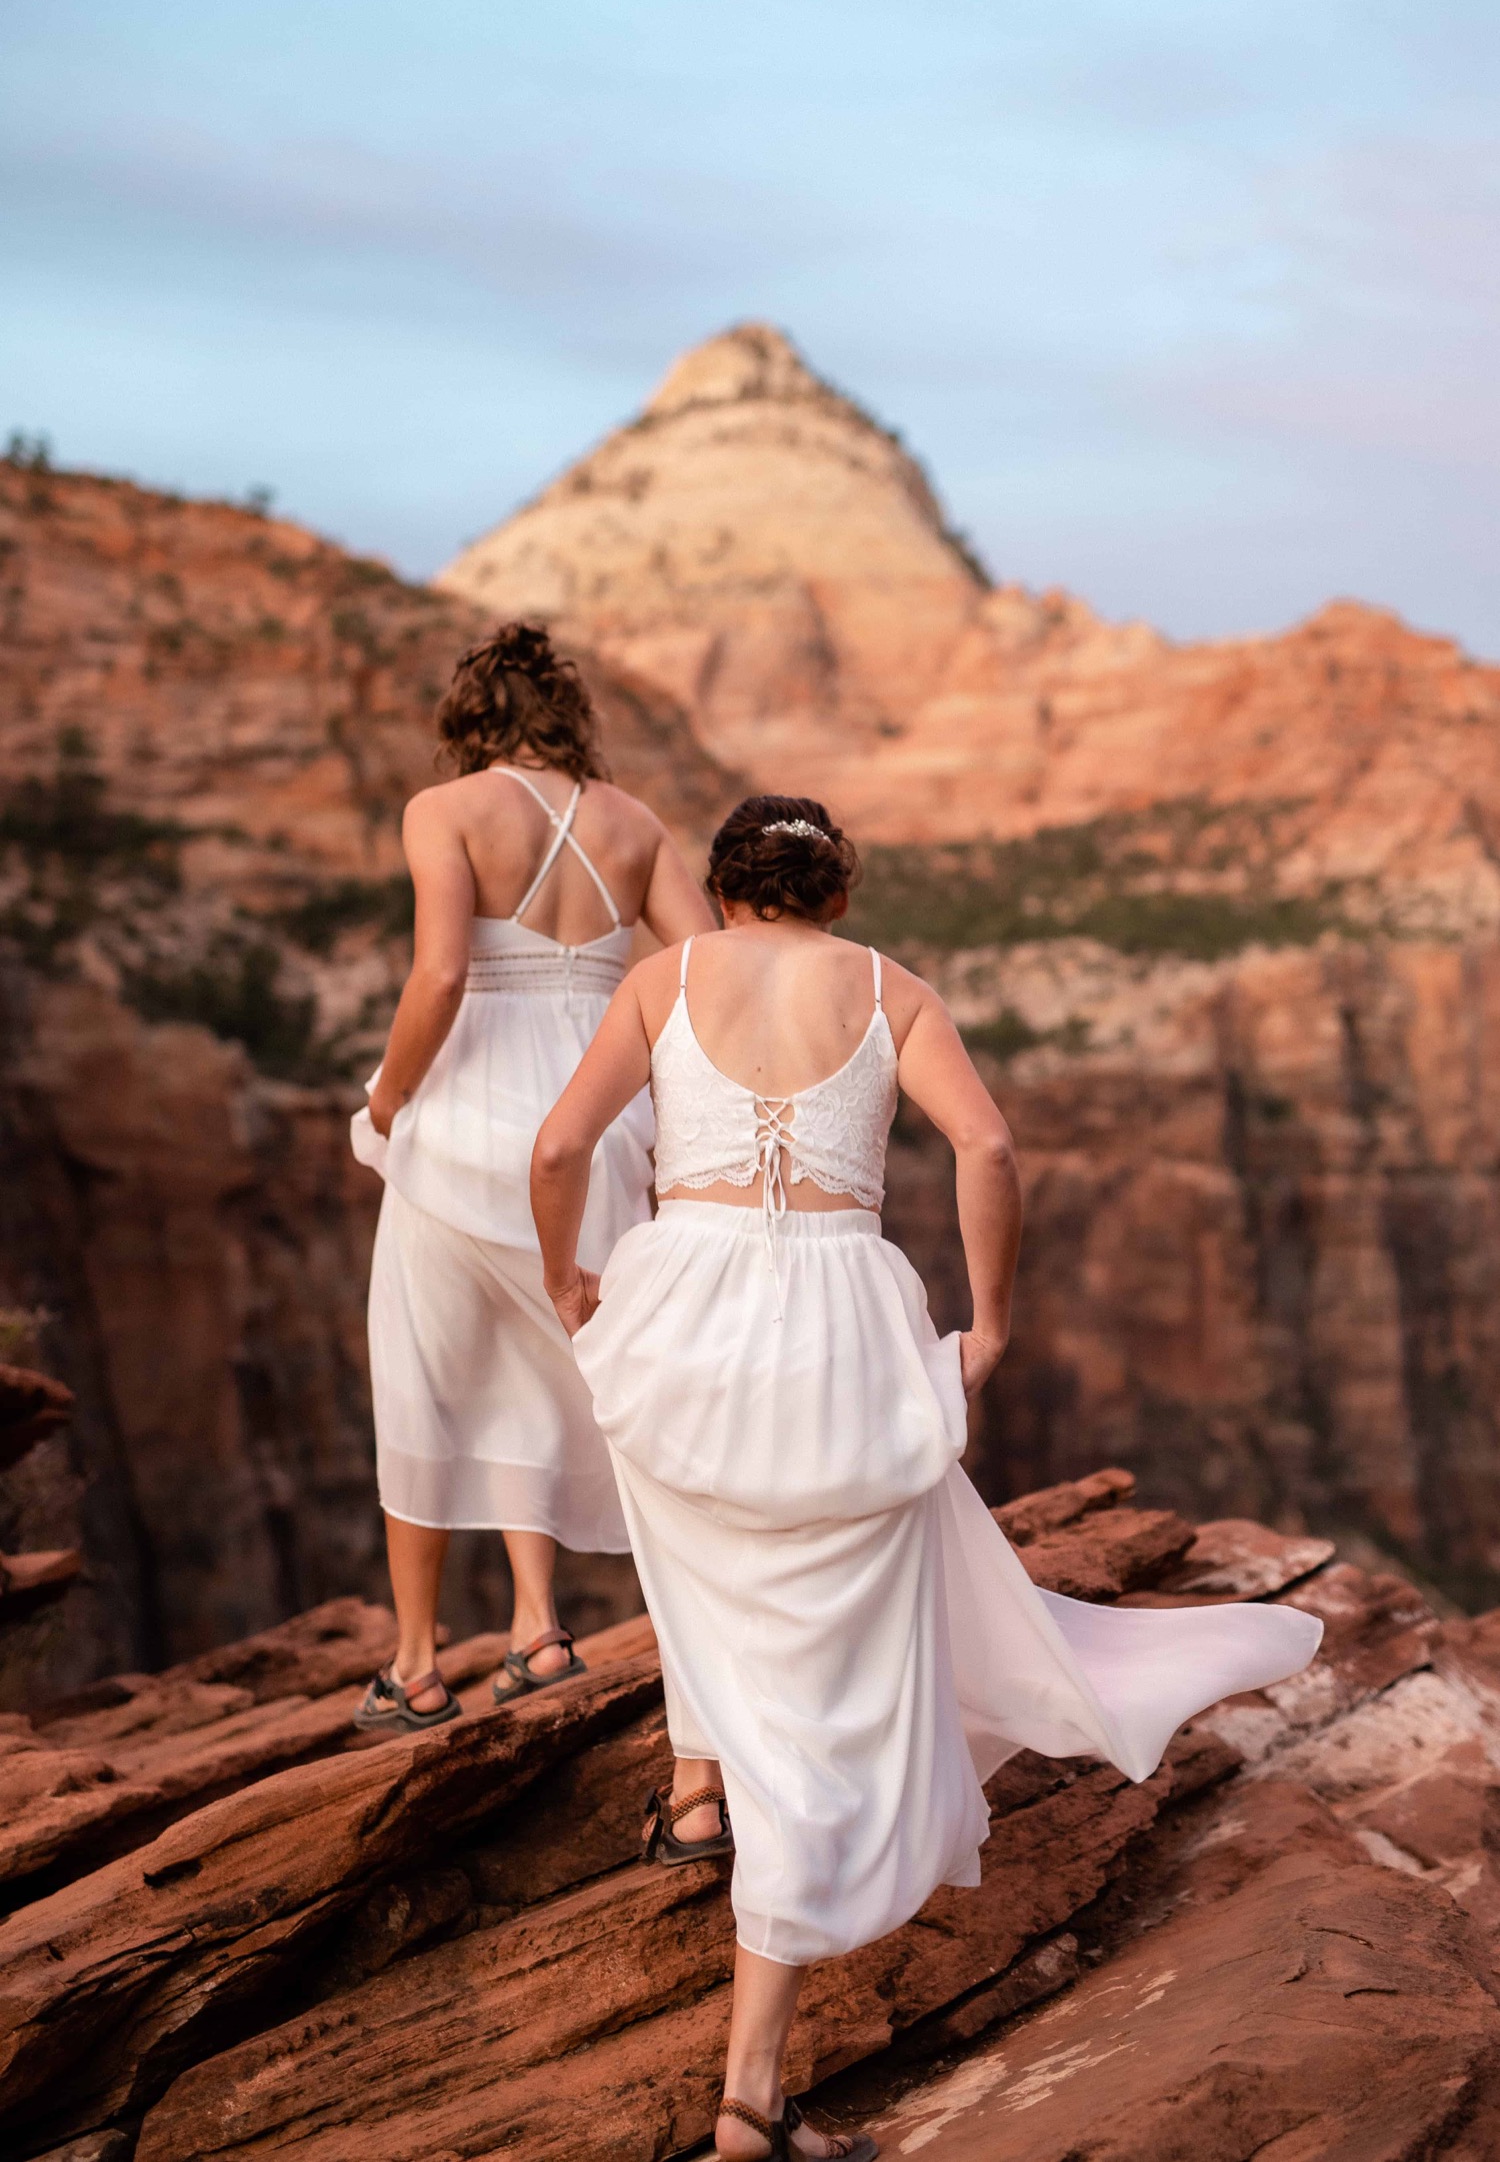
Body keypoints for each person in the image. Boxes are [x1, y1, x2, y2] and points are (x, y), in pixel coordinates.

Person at [530, 793, 1325, 2162]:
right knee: (829, 1671)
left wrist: (567, 1282)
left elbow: (555, 1150)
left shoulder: (663, 976)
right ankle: (744, 2072)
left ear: (723, 891)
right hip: (844, 1328)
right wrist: (993, 1319)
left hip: (682, 1314)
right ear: (835, 895)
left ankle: (705, 1794)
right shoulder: (895, 990)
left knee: (701, 1560)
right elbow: (991, 1147)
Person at [349, 623, 715, 1728]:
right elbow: (703, 977)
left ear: (470, 716)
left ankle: (415, 1662)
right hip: (596, 1131)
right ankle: (538, 1628)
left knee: (427, 1372)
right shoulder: (636, 825)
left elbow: (443, 971)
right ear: (571, 714)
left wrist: (386, 1099)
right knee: (555, 1375)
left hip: (465, 1121)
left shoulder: (444, 811)